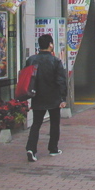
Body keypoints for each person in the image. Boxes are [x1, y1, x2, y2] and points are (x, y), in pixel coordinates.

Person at [25, 34, 67, 162]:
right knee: (54, 123)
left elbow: (26, 78)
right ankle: (53, 148)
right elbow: (61, 81)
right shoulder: (55, 61)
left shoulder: (31, 60)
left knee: (36, 124)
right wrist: (63, 98)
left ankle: (31, 149)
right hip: (53, 97)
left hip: (37, 96)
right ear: (50, 45)